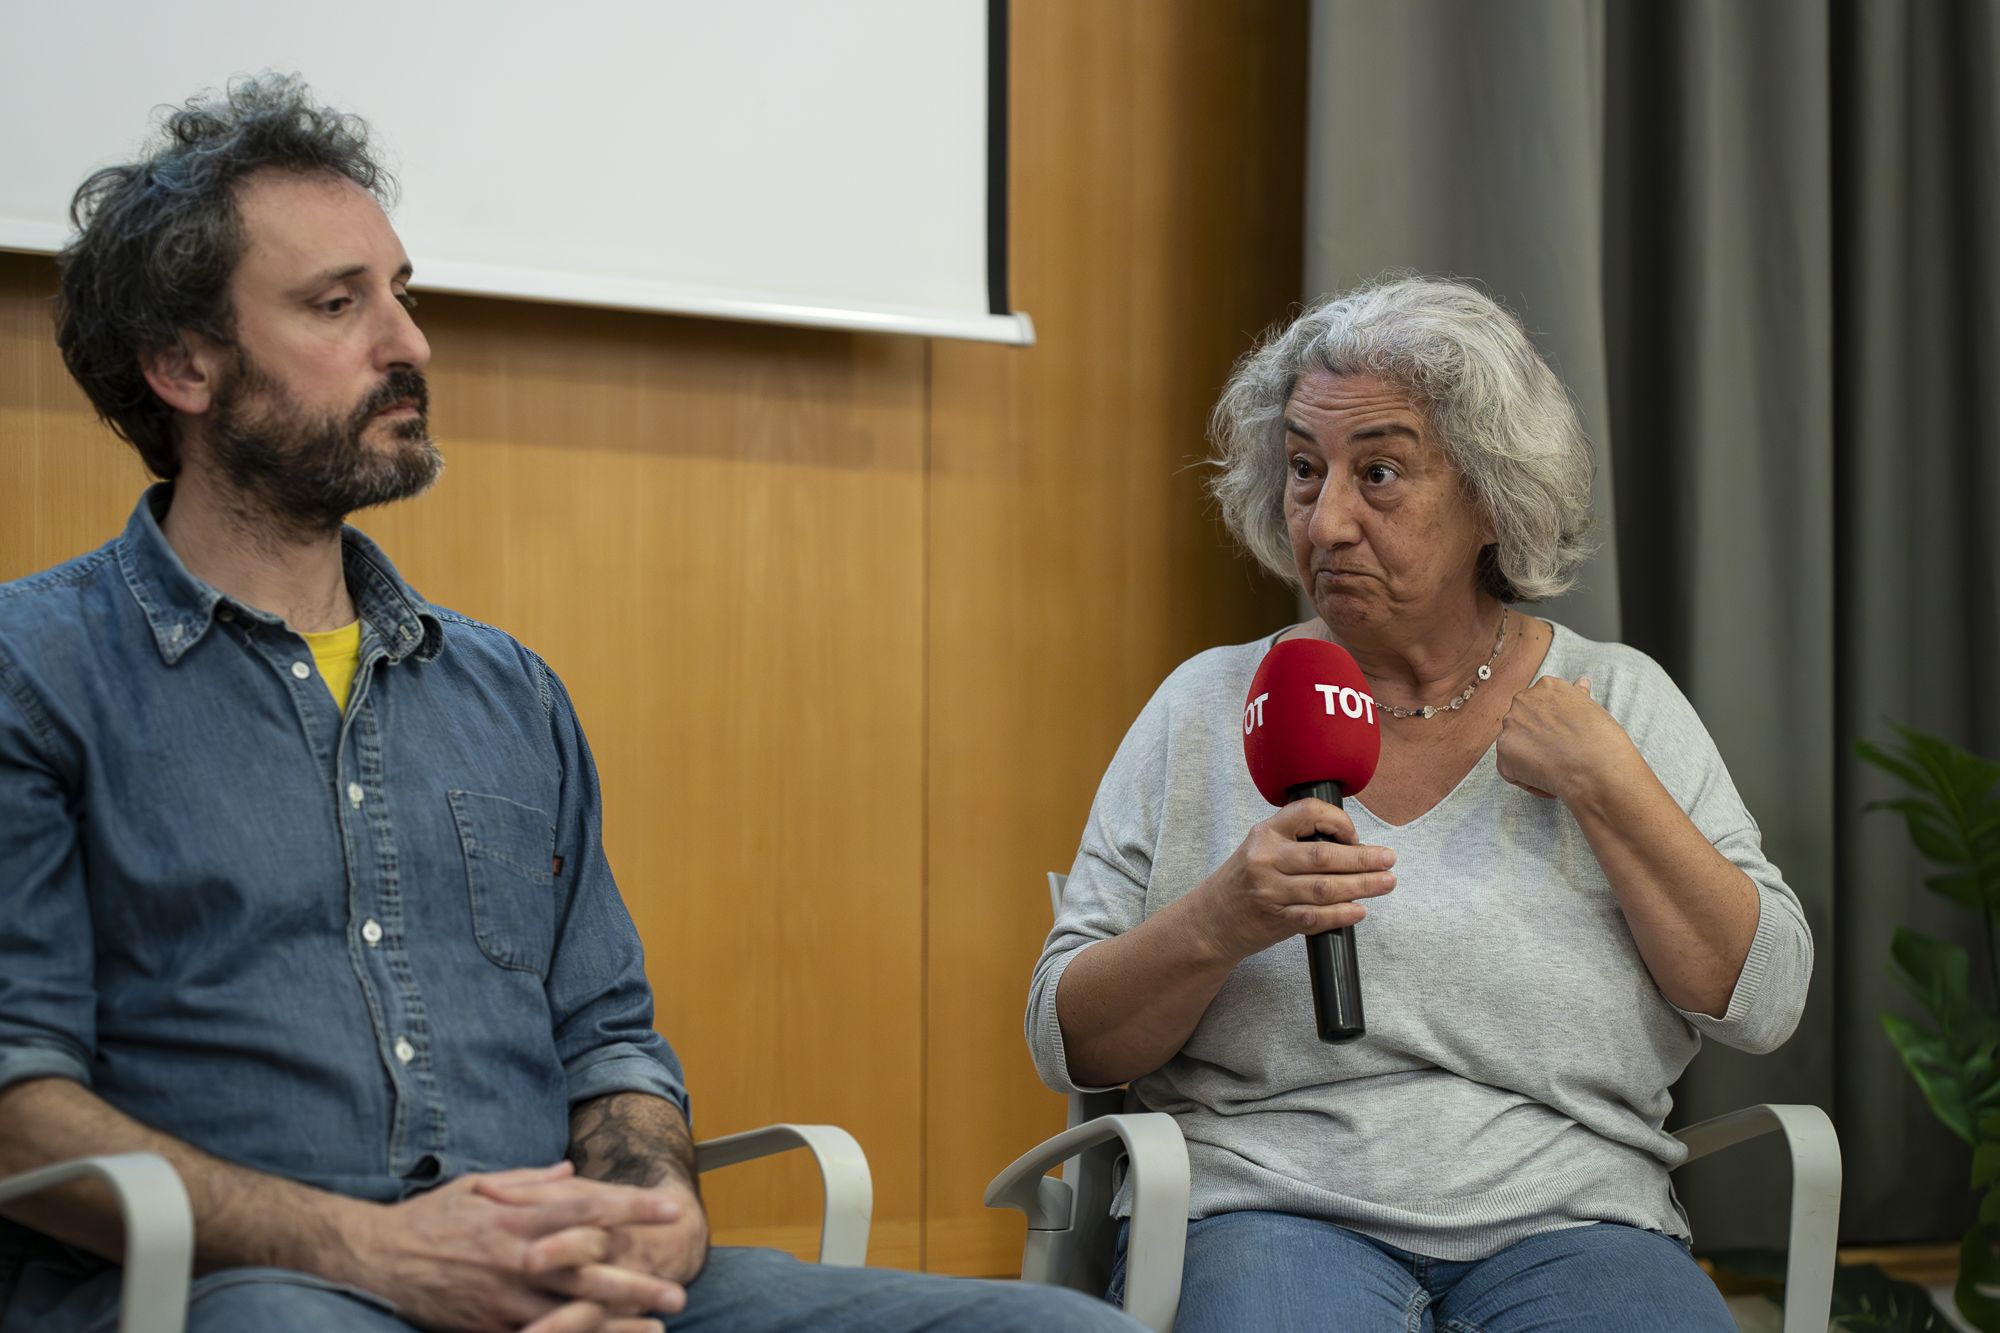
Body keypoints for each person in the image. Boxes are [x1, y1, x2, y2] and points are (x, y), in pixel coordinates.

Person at [0, 76, 1139, 1333]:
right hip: (239, 1292)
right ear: (183, 365)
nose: (408, 343)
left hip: (554, 1283)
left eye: (402, 293)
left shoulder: (504, 691)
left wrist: (646, 1213)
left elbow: (610, 1046)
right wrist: (383, 1253)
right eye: (338, 304)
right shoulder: (35, 669)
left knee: (1063, 1330)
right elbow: (18, 1105)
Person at [1027, 276, 1814, 1331]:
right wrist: (1220, 920)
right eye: (1303, 470)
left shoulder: (1613, 701)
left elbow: (1762, 1001)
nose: (1327, 518)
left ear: (1490, 494)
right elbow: (1063, 1036)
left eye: (1380, 473)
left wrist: (1609, 785)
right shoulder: (1205, 707)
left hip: (1572, 1215)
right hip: (1264, 1206)